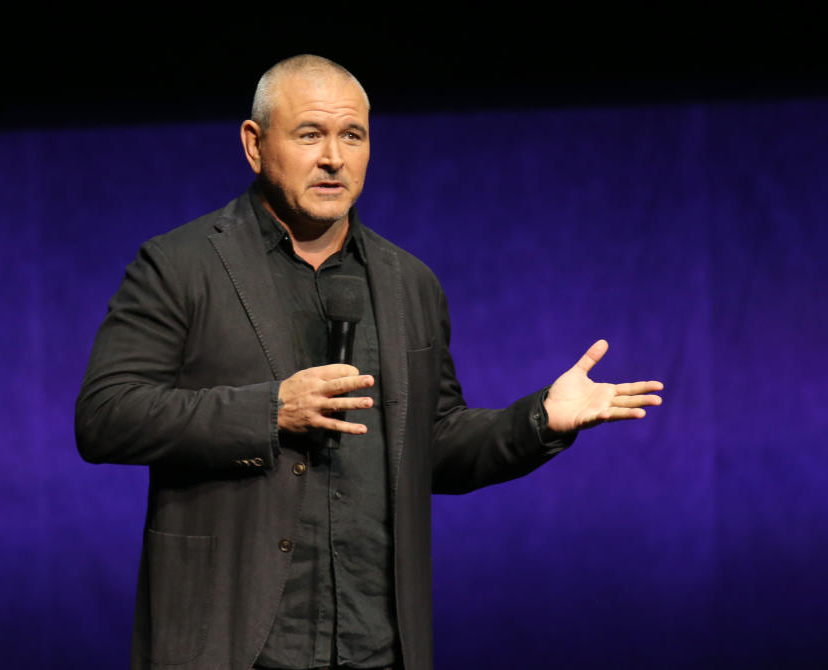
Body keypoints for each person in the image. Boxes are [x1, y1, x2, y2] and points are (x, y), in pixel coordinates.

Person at [75, 54, 664, 670]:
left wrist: (539, 418)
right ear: (254, 144)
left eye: (351, 136)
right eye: (310, 134)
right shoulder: (181, 264)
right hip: (233, 638)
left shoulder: (409, 282)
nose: (334, 157)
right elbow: (106, 416)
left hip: (375, 641)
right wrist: (269, 411)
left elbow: (432, 446)